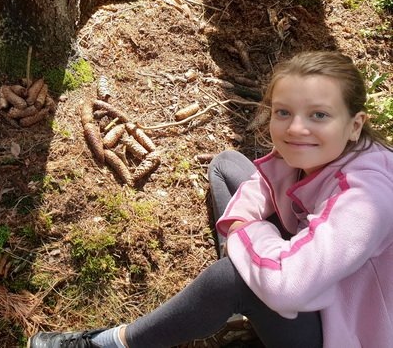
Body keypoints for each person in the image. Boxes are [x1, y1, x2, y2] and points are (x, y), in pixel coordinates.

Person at [28, 51, 393, 348]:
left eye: (319, 115)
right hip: (316, 280)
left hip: (347, 332)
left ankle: (113, 343)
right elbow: (263, 182)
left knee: (232, 278)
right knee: (227, 165)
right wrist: (243, 230)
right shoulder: (317, 151)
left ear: (354, 125)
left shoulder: (366, 198)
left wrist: (244, 231)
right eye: (284, 112)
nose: (296, 128)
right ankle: (239, 302)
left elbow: (290, 287)